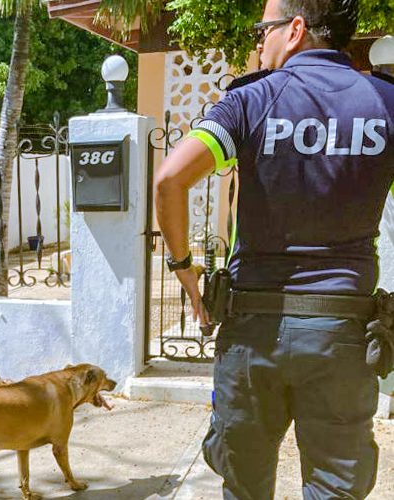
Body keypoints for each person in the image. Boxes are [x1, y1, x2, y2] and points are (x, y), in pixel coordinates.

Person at [154, 0, 394, 498]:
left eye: (264, 30)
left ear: (296, 29)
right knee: (337, 487)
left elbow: (170, 179)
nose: (258, 42)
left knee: (243, 485)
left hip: (251, 334)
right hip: (343, 335)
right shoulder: (386, 104)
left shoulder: (250, 101)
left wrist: (184, 269)